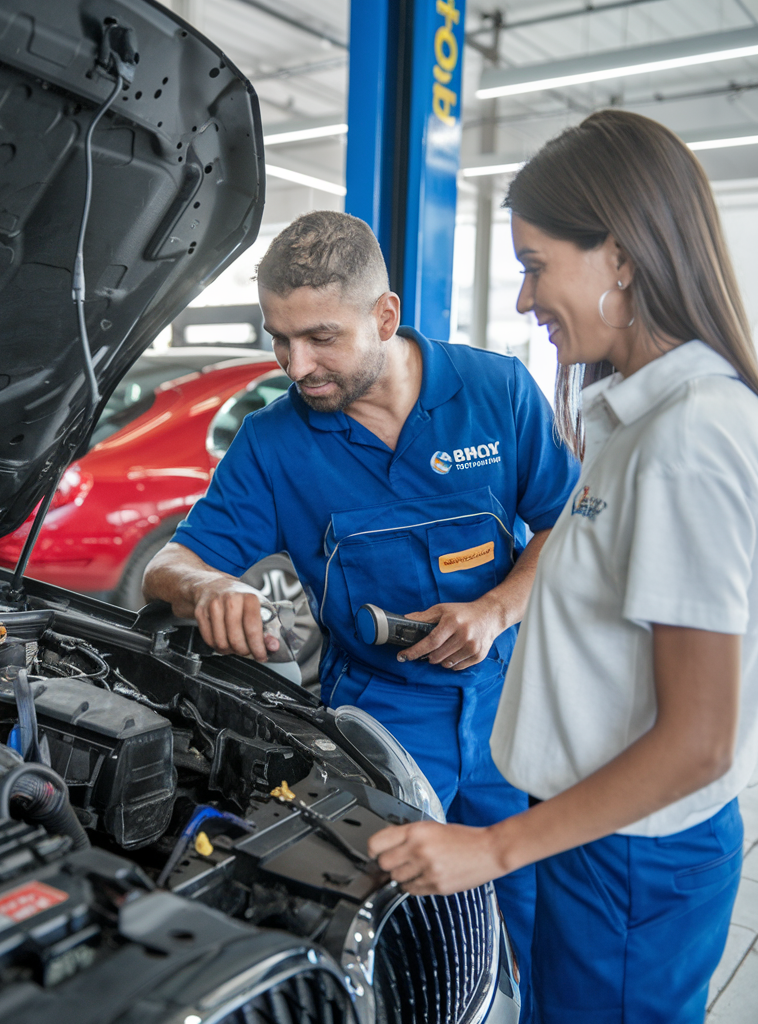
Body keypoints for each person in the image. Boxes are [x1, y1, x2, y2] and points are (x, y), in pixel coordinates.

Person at [366, 108, 758, 1023]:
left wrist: (493, 849)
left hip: (629, 855)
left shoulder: (690, 436)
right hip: (595, 835)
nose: (523, 300)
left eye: (536, 266)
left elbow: (697, 739)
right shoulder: (638, 426)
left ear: (620, 255)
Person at [143, 210, 581, 1014]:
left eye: (319, 338)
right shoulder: (276, 441)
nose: (294, 365)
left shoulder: (496, 393)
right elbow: (169, 563)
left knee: (521, 908)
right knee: (396, 928)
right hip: (377, 722)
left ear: (385, 316)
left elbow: (564, 520)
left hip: (507, 705)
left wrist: (497, 607)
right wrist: (208, 588)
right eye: (279, 338)